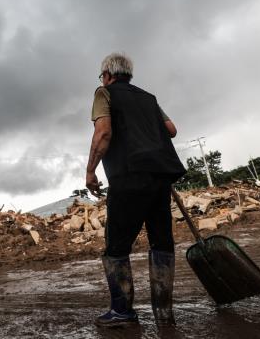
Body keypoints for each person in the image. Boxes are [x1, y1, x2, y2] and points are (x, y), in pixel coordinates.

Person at [85, 53, 186, 328]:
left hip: (128, 175)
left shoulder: (104, 93)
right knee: (161, 242)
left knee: (116, 247)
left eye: (101, 76)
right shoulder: (149, 98)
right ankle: (164, 313)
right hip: (159, 176)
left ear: (107, 74)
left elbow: (103, 133)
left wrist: (91, 170)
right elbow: (172, 130)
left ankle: (122, 311)